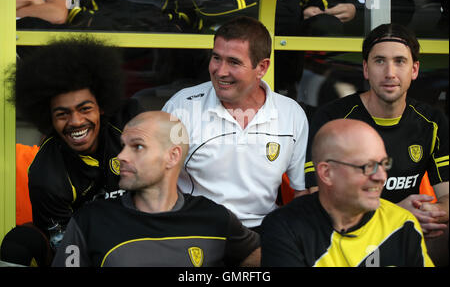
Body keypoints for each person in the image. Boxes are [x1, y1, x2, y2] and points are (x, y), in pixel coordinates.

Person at [1, 36, 142, 266]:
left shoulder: (130, 124)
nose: (76, 121)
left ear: (103, 106)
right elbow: (68, 251)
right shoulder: (47, 175)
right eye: (62, 114)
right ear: (49, 119)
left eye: (85, 108)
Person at [52, 111, 260, 267]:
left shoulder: (214, 218)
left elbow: (262, 254)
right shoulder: (90, 220)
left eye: (137, 147)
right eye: (123, 146)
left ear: (173, 156)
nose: (121, 156)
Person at [303, 23, 449, 242]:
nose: (390, 73)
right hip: (346, 235)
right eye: (379, 61)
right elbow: (320, 200)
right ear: (365, 69)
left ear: (415, 69)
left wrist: (428, 213)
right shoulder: (333, 118)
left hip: (405, 232)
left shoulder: (432, 122)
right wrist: (396, 214)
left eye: (400, 61)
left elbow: (447, 196)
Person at [162, 16, 309, 232]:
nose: (220, 71)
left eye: (233, 62)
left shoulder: (291, 113)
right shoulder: (181, 106)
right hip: (195, 228)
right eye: (216, 58)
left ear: (262, 67)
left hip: (263, 230)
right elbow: (156, 180)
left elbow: (300, 193)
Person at [261, 119, 434, 267]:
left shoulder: (403, 223)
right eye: (367, 166)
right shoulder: (285, 227)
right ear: (326, 173)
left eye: (383, 163)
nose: (381, 176)